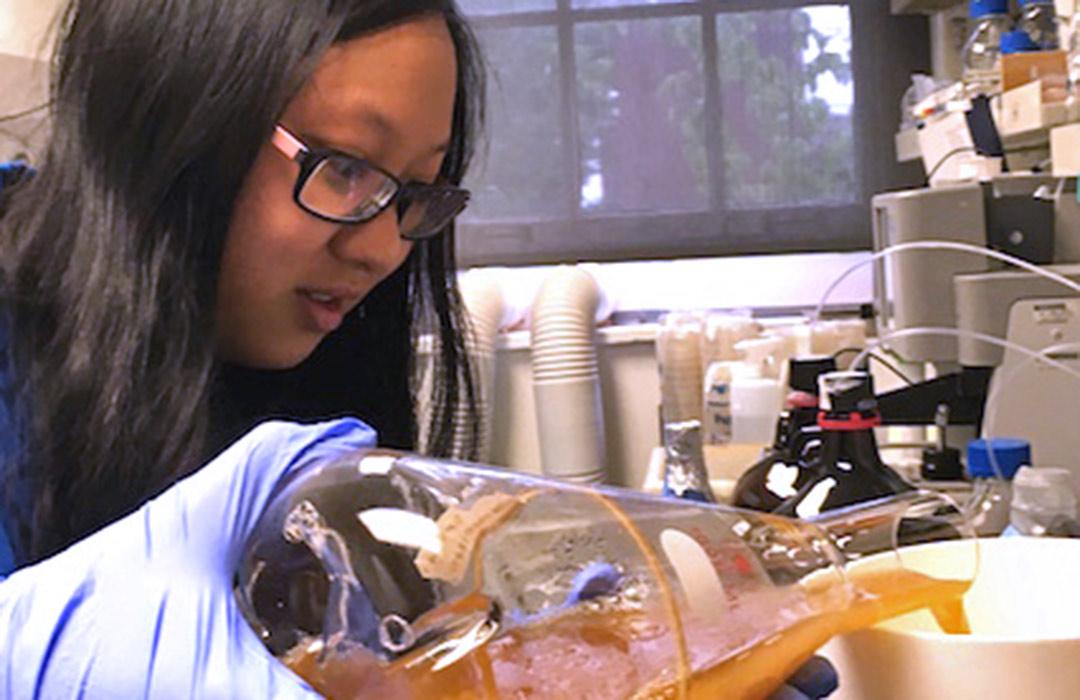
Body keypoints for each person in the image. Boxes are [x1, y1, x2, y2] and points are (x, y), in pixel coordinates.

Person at [0, 1, 836, 697]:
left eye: (414, 191)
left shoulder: (292, 378)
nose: (383, 252)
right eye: (346, 169)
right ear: (170, 117)